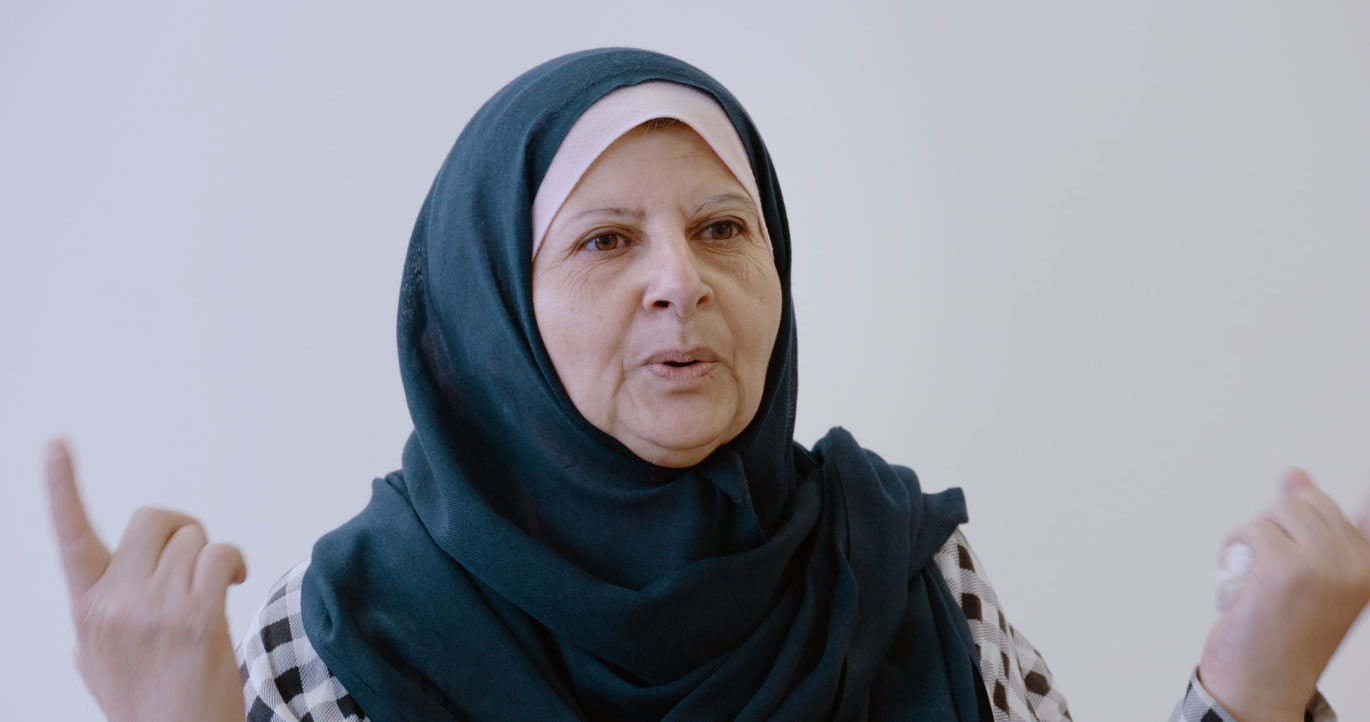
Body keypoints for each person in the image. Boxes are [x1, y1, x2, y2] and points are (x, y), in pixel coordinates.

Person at [43, 47, 1369, 722]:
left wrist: (1251, 683)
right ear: (493, 314)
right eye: (605, 241)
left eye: (725, 229)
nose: (680, 282)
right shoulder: (343, 635)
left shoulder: (897, 566)